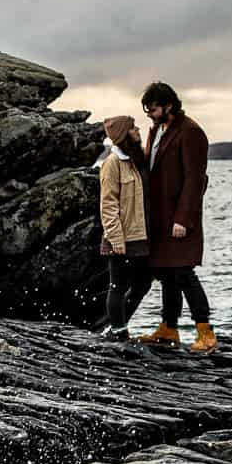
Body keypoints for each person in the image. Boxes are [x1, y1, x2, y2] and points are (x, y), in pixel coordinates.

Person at [135, 81, 217, 354]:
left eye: (153, 108)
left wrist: (183, 219)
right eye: (147, 110)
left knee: (184, 272)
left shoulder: (191, 132)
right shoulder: (156, 130)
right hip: (159, 219)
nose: (150, 114)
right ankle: (169, 328)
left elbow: (195, 180)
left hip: (180, 219)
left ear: (168, 105)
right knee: (166, 274)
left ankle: (205, 331)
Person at [96, 114, 153, 339]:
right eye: (133, 128)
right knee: (117, 285)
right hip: (120, 235)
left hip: (140, 235)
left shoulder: (137, 159)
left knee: (142, 284)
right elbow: (108, 204)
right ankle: (119, 331)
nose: (138, 130)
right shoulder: (112, 163)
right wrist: (116, 238)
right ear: (123, 134)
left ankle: (117, 325)